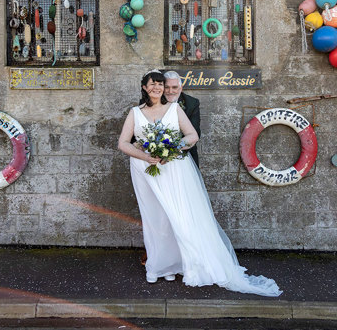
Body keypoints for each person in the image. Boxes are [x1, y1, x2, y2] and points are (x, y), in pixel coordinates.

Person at [117, 69, 282, 297]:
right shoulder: (135, 113)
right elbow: (123, 143)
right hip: (145, 171)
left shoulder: (174, 109)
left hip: (174, 169)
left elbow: (192, 136)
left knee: (179, 216)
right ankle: (159, 266)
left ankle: (177, 265)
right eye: (152, 84)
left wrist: (172, 148)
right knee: (155, 218)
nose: (156, 88)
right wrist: (145, 156)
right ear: (144, 87)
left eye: (160, 84)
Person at [163, 71, 201, 168]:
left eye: (174, 87)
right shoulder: (154, 102)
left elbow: (196, 133)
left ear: (180, 88)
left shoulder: (191, 103)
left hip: (185, 154)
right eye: (166, 87)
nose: (170, 91)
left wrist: (171, 152)